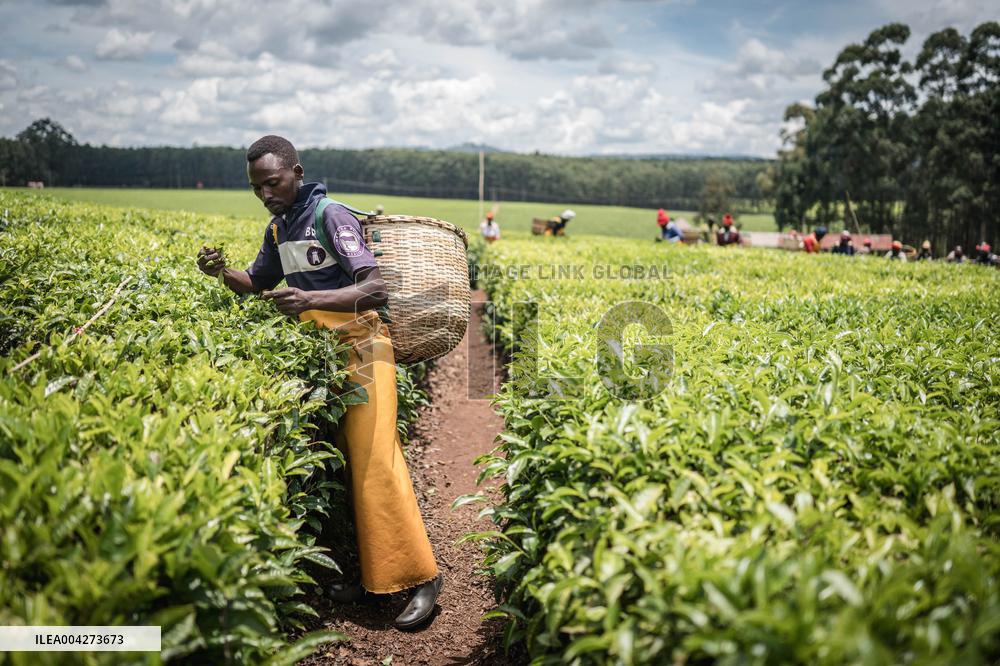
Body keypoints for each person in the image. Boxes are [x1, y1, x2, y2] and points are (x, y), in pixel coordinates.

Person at [195, 135, 442, 630]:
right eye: (256, 187)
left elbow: (376, 286)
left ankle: (420, 576)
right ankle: (375, 578)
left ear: (297, 172)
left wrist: (310, 302)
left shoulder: (331, 216)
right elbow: (256, 283)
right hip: (324, 356)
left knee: (377, 462)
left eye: (273, 182)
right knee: (349, 469)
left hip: (364, 349)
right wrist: (222, 271)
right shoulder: (278, 228)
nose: (266, 193)